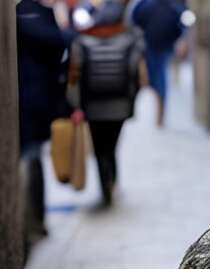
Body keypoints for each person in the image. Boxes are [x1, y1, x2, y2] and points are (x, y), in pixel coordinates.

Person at [69, 0, 144, 205]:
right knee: (111, 144)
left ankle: (106, 186)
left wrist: (75, 104)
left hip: (93, 104)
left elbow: (75, 75)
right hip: (119, 102)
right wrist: (132, 99)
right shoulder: (129, 39)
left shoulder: (82, 40)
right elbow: (133, 73)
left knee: (99, 146)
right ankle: (112, 182)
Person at [16, 0, 74, 239]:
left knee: (31, 156)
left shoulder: (22, 14)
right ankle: (34, 221)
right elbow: (61, 43)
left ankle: (33, 220)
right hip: (34, 100)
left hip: (30, 100)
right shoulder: (33, 15)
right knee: (31, 157)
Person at [130, 0, 189, 127]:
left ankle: (160, 117)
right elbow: (133, 21)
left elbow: (185, 22)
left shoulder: (174, 6)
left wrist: (182, 40)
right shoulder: (144, 4)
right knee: (145, 79)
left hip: (164, 47)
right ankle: (137, 112)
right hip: (147, 47)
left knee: (160, 80)